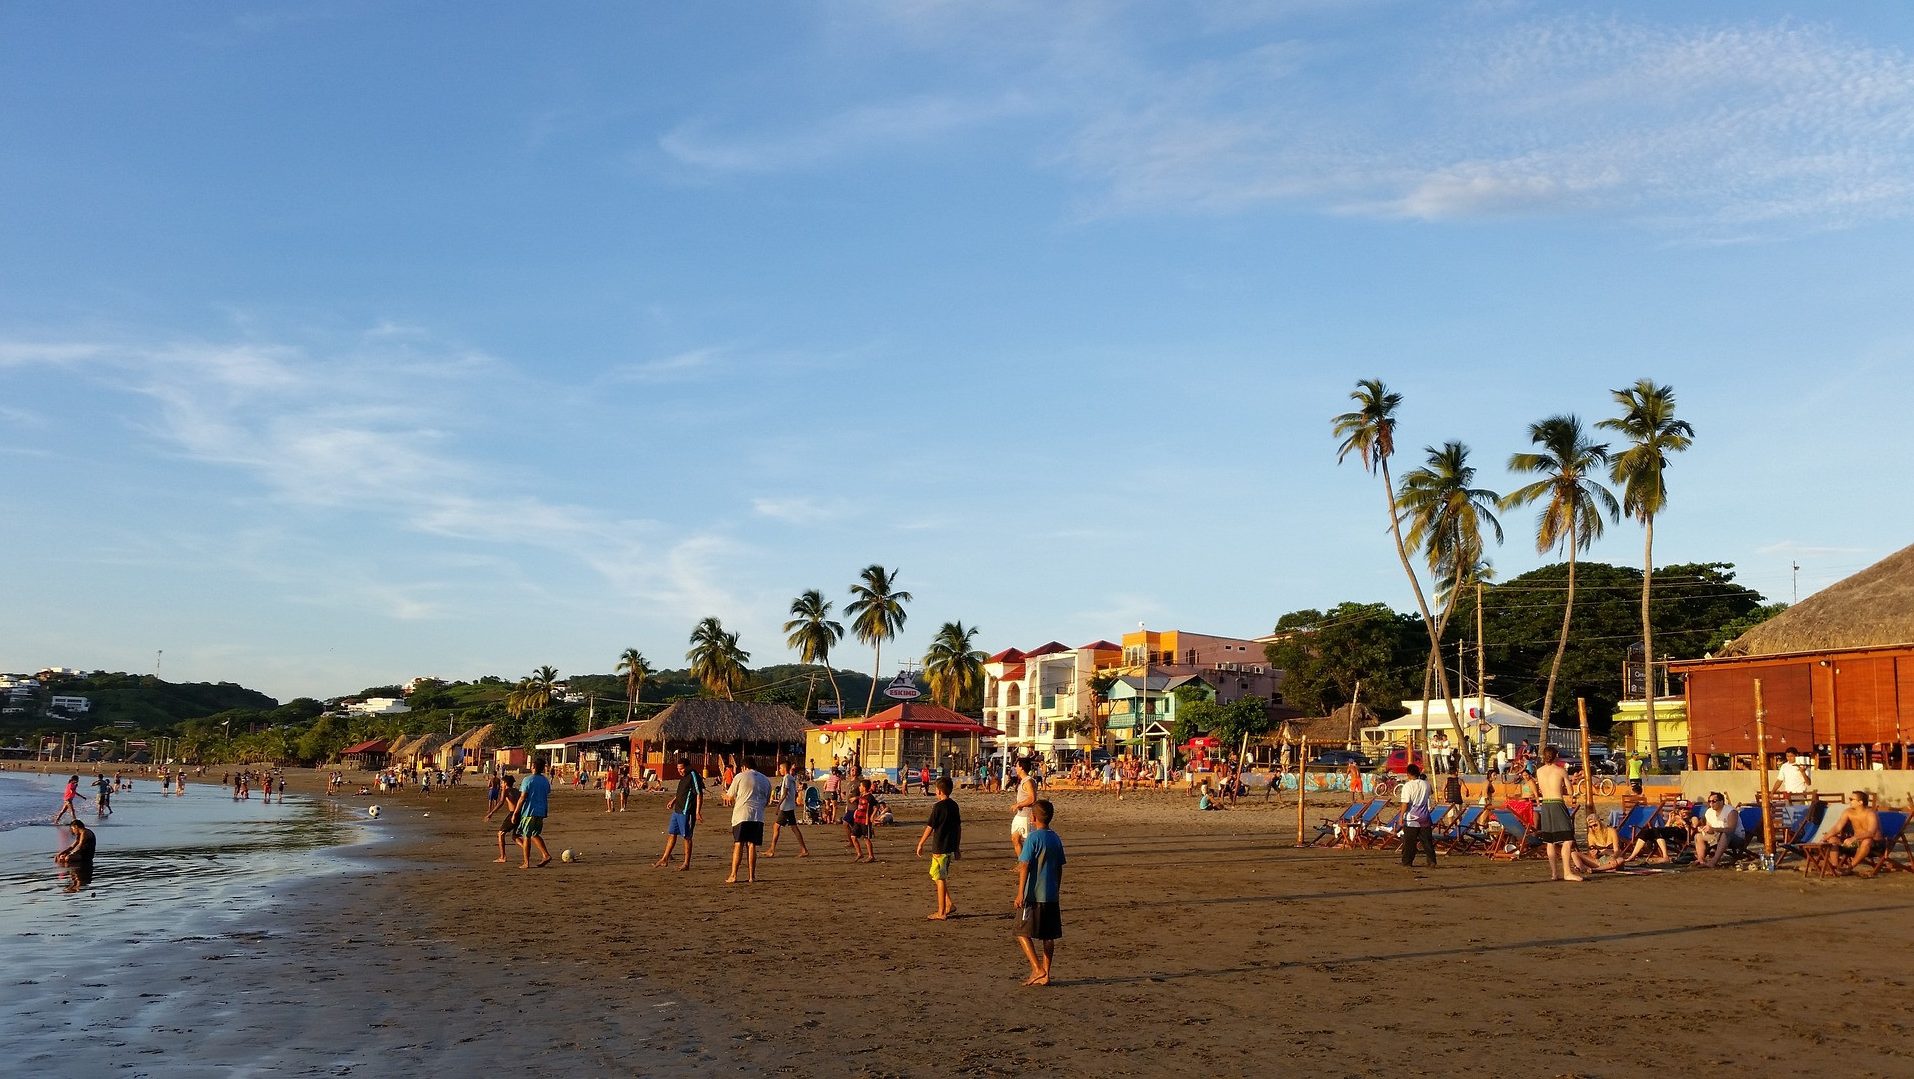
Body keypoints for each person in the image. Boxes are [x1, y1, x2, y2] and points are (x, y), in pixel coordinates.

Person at [1013, 799, 1065, 987]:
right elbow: (1059, 867)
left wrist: (1020, 893)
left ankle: (1037, 968)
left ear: (1033, 818)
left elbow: (1024, 865)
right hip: (1051, 894)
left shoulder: (1033, 838)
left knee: (1021, 931)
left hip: (1033, 894)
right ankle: (1046, 974)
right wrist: (1057, 888)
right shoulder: (1055, 838)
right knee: (1048, 936)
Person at [915, 775, 961, 920]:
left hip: (941, 847)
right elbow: (958, 828)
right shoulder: (954, 805)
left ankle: (941, 912)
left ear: (939, 791)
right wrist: (957, 847)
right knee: (936, 874)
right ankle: (949, 903)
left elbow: (930, 827)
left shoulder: (938, 807)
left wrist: (921, 843)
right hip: (949, 846)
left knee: (940, 878)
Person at [1533, 747, 1581, 882]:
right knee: (1567, 838)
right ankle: (1567, 872)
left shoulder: (1539, 771)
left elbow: (1542, 788)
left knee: (1550, 841)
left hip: (1545, 805)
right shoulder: (1561, 771)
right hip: (1557, 803)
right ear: (1556, 756)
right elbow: (1570, 792)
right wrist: (1572, 781)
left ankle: (1554, 873)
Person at [722, 757, 772, 885]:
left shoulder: (740, 776)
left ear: (744, 767)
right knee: (752, 845)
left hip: (742, 815)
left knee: (738, 844)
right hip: (758, 816)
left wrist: (724, 796)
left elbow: (729, 796)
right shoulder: (765, 779)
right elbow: (767, 801)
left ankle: (734, 875)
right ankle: (751, 876)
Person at [654, 753, 705, 870]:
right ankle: (664, 859)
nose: (679, 771)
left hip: (687, 811)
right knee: (672, 833)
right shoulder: (683, 776)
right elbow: (682, 792)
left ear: (687, 767)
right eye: (678, 769)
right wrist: (673, 801)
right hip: (677, 810)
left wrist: (697, 812)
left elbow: (699, 794)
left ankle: (686, 863)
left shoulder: (693, 775)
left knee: (687, 836)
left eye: (681, 768)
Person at [1824, 791, 1882, 875]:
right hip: (1856, 843)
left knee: (1867, 840)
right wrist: (1824, 838)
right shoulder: (1848, 812)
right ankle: (1835, 868)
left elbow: (1871, 833)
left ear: (1860, 802)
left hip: (1875, 844)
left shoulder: (1870, 814)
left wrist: (1853, 838)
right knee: (1832, 839)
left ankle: (1849, 868)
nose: (1849, 801)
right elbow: (1837, 827)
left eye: (1851, 799)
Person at [515, 757, 553, 869]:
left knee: (526, 835)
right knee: (534, 834)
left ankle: (526, 862)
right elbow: (546, 793)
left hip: (529, 811)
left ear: (534, 767)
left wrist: (516, 812)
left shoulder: (528, 780)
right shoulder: (545, 780)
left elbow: (522, 797)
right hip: (541, 811)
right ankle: (545, 855)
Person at [765, 762, 809, 857]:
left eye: (780, 768)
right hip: (789, 806)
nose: (779, 770)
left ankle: (772, 850)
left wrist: (778, 806)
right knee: (793, 828)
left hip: (785, 807)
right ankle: (804, 849)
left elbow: (784, 794)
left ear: (785, 769)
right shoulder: (790, 778)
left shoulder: (787, 778)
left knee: (776, 827)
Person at [1397, 764, 1437, 868]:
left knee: (1409, 841)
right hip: (1424, 817)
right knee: (1427, 841)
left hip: (1412, 818)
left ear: (1408, 774)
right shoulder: (1426, 784)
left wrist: (1401, 816)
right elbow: (1431, 792)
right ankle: (1432, 860)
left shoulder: (1408, 786)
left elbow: (1405, 803)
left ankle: (1407, 861)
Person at [1695, 792, 1746, 868]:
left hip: (1735, 838)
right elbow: (1710, 830)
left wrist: (1714, 829)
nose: (1711, 803)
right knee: (1698, 836)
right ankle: (1701, 860)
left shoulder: (1731, 811)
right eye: (1709, 801)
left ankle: (1713, 862)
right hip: (1716, 837)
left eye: (1714, 801)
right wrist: (1705, 829)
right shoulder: (1709, 812)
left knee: (1725, 834)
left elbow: (1731, 829)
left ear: (1721, 801)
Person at [486, 775, 525, 864]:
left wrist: (491, 813)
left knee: (501, 834)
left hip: (513, 814)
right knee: (515, 836)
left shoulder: (506, 790)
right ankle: (526, 849)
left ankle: (503, 857)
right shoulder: (517, 791)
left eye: (502, 783)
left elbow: (501, 802)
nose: (501, 785)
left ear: (505, 783)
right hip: (520, 814)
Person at [54, 817, 97, 892]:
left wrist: (70, 854)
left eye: (73, 829)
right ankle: (67, 870)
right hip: (81, 853)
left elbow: (80, 845)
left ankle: (70, 869)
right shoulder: (80, 834)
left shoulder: (85, 833)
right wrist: (61, 853)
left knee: (67, 858)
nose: (73, 831)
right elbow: (73, 846)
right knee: (61, 857)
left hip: (86, 855)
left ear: (76, 827)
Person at [1009, 760, 1038, 856]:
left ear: (1021, 767)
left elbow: (1032, 798)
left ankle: (1028, 862)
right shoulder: (1023, 780)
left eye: (1017, 766)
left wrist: (1018, 805)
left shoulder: (1028, 781)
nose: (1015, 768)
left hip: (1026, 815)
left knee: (1028, 843)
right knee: (1015, 838)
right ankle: (1021, 861)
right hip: (1020, 814)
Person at [848, 780, 879, 863]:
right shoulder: (862, 795)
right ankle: (859, 853)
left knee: (866, 838)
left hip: (865, 821)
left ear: (864, 788)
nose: (859, 787)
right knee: (853, 837)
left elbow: (877, 805)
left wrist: (872, 815)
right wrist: (855, 798)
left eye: (860, 786)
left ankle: (871, 856)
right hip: (857, 820)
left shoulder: (870, 797)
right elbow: (861, 799)